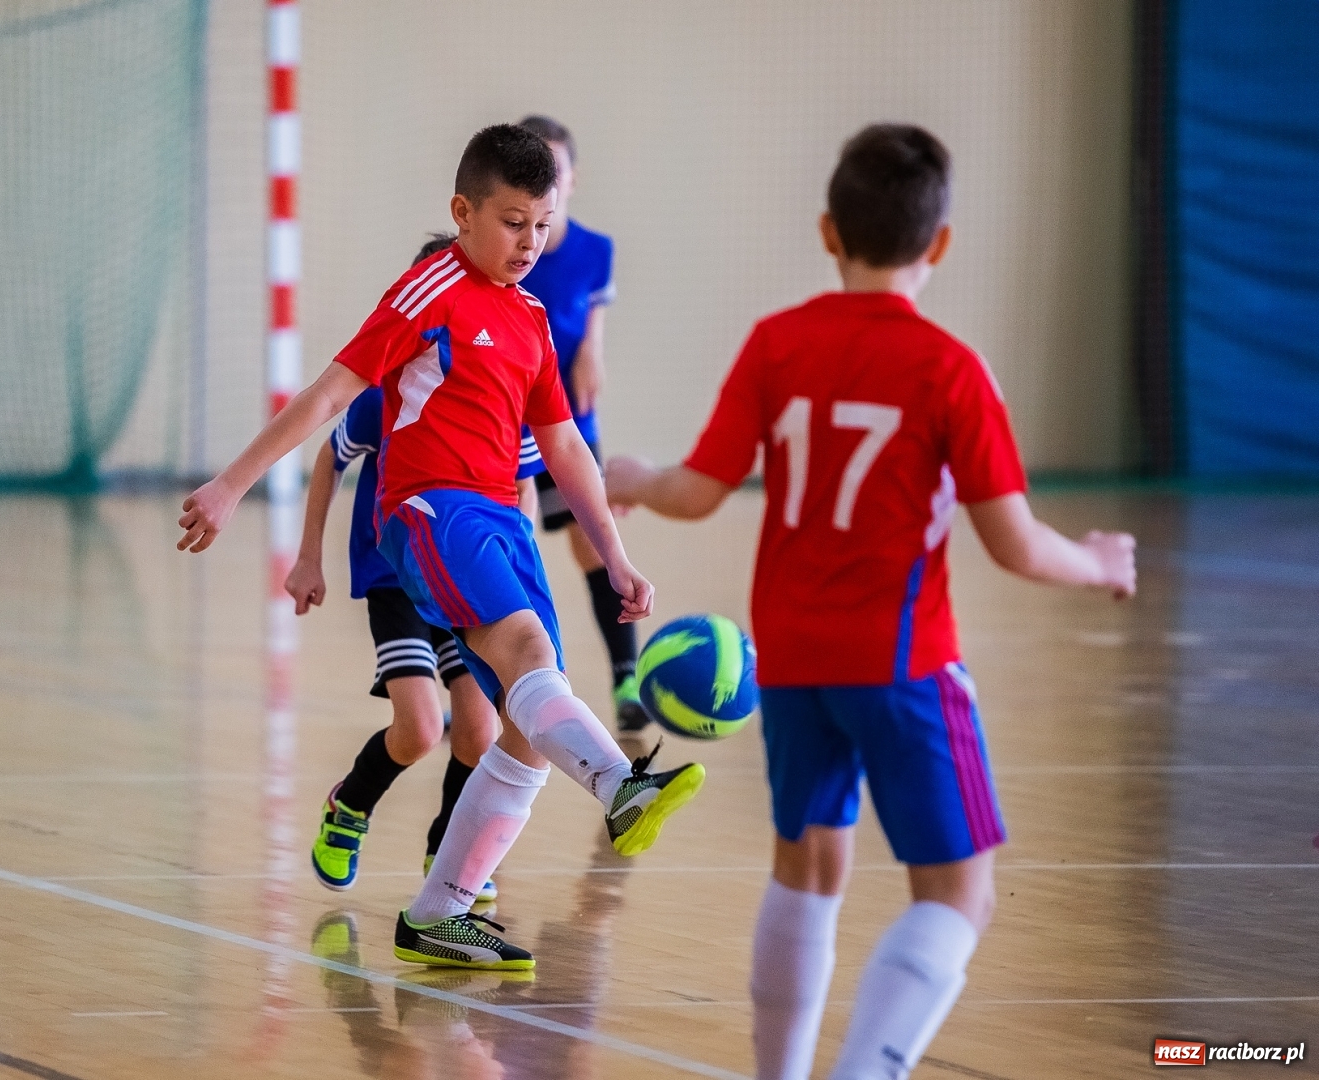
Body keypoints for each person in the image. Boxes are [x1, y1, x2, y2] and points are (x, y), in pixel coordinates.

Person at [605, 124, 1137, 1079]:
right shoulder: (950, 369)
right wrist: (1098, 562)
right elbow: (1014, 544)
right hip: (902, 663)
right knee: (959, 895)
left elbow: (700, 490)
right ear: (941, 243)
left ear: (828, 231)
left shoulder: (777, 344)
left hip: (791, 661)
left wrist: (637, 477)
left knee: (807, 867)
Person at [179, 124, 704, 971]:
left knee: (525, 727)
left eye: (543, 225)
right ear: (463, 213)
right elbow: (330, 395)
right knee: (521, 656)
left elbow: (565, 447)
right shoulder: (432, 288)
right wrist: (232, 484)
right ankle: (621, 785)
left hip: (504, 521)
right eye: (512, 222)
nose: (529, 243)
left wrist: (613, 554)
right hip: (431, 508)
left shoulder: (531, 317)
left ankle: (439, 912)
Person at [288, 233, 541, 902]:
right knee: (423, 729)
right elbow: (330, 456)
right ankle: (350, 805)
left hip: (464, 577)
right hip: (396, 574)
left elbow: (525, 483)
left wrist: (516, 562)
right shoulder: (385, 395)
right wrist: (308, 556)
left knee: (479, 730)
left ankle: (446, 852)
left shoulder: (502, 387)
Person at [514, 116, 646, 731]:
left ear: (572, 177)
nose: (546, 179)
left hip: (568, 421)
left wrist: (593, 349)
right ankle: (490, 688)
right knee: (507, 549)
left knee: (593, 543)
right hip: (506, 425)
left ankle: (627, 679)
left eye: (555, 168)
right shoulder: (508, 247)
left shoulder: (595, 250)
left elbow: (591, 322)